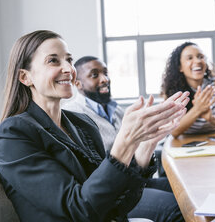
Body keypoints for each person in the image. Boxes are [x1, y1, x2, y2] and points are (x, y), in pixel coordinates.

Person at [0, 30, 189, 222]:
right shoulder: (14, 133)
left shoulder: (83, 124)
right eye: (53, 61)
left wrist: (145, 146)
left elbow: (119, 206)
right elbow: (79, 210)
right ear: (25, 77)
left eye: (69, 60)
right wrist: (125, 141)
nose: (69, 68)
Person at [62, 56, 186, 220]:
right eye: (94, 75)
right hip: (114, 191)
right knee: (177, 207)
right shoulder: (73, 115)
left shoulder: (117, 110)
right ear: (78, 84)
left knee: (182, 187)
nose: (104, 79)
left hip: (133, 178)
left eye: (105, 73)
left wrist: (151, 138)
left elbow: (136, 153)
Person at [161, 41, 215, 138]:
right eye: (190, 58)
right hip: (182, 142)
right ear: (180, 67)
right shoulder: (173, 90)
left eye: (200, 57)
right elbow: (173, 131)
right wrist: (198, 109)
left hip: (214, 139)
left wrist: (212, 118)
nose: (197, 61)